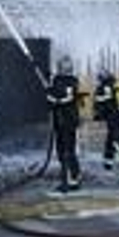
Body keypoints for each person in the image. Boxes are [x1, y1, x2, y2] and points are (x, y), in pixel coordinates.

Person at [46, 55, 83, 192]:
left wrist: (57, 100)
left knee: (68, 152)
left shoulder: (72, 81)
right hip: (59, 121)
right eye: (62, 65)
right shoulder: (56, 80)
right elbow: (50, 99)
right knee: (61, 151)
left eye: (66, 65)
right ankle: (74, 176)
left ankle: (67, 182)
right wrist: (49, 92)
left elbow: (69, 97)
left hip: (68, 121)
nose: (64, 68)